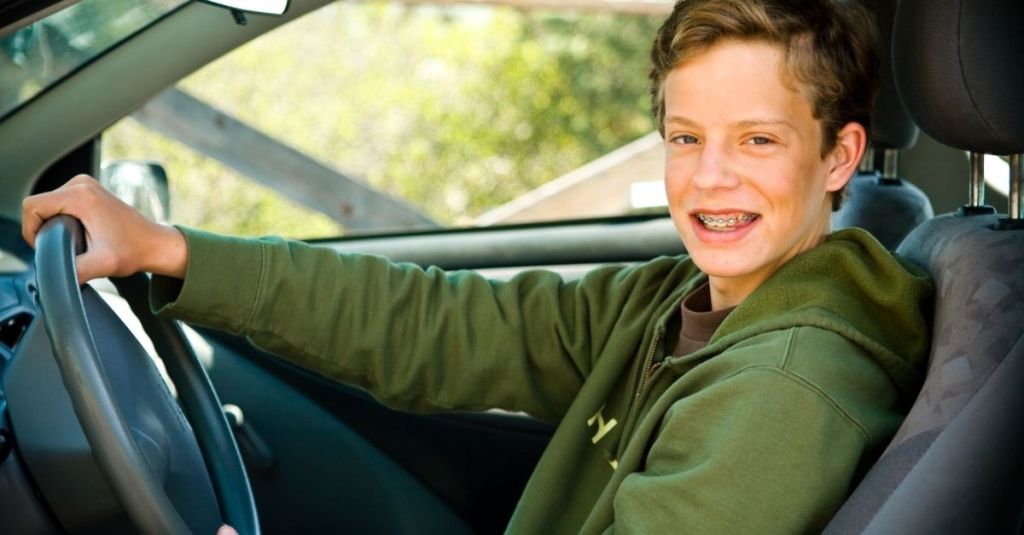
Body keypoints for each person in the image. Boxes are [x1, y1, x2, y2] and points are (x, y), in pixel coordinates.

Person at [22, 0, 933, 532]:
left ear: (840, 156)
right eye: (686, 136)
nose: (710, 176)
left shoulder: (786, 389)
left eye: (759, 140)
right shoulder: (686, 298)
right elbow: (443, 327)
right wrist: (172, 252)